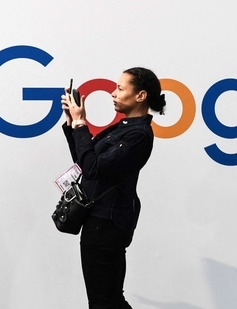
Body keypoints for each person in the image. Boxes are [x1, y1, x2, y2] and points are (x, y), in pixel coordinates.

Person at [61, 67, 166, 309]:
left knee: (104, 301)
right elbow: (85, 163)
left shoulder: (138, 134)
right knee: (107, 300)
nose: (112, 93)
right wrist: (72, 122)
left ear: (140, 96)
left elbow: (93, 168)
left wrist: (80, 125)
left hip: (106, 223)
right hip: (100, 220)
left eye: (120, 88)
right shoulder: (124, 127)